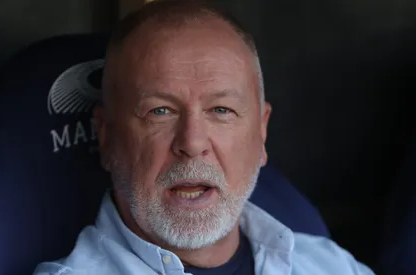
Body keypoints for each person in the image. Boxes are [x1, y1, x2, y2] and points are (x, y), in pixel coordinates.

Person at [34, 1, 375, 274]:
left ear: (261, 132)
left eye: (221, 110)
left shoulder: (329, 264)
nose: (193, 142)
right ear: (106, 136)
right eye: (160, 111)